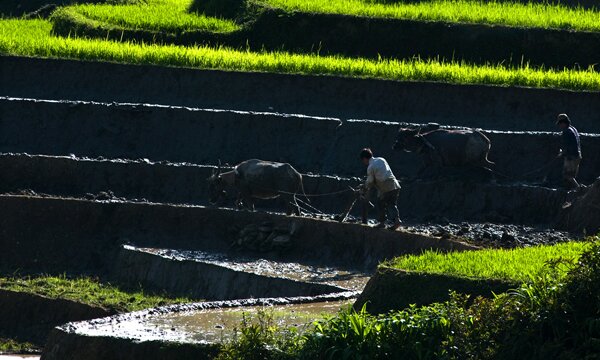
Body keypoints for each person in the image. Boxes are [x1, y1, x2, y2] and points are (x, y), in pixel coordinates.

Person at [359, 148, 401, 230]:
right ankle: (395, 221)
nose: (363, 162)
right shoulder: (381, 159)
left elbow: (370, 181)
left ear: (364, 158)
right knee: (391, 203)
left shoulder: (370, 167)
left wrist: (364, 187)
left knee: (381, 203)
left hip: (386, 187)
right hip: (395, 184)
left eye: (363, 160)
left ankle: (384, 223)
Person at [556, 113, 582, 190]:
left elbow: (567, 147)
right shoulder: (573, 129)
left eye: (560, 124)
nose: (559, 126)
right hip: (577, 155)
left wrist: (561, 153)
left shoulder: (567, 132)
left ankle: (578, 189)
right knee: (571, 175)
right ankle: (571, 190)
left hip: (571, 157)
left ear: (563, 123)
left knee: (568, 175)